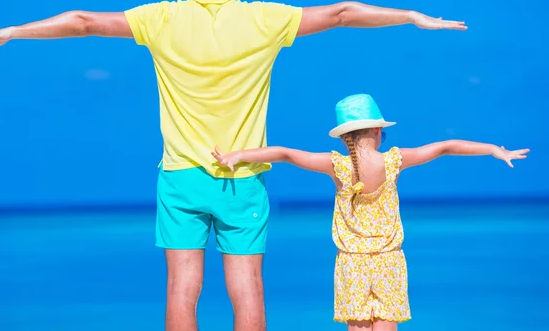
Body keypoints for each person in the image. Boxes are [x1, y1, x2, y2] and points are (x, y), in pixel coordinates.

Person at [0, 0, 468, 330]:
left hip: (179, 177)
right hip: (242, 177)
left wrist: (8, 33)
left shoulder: (159, 19)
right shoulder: (266, 19)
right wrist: (412, 16)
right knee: (247, 288)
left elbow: (84, 20)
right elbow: (341, 12)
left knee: (182, 287)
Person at [211, 93, 529, 331]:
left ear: (345, 136)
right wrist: (494, 150)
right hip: (389, 260)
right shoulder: (393, 160)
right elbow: (445, 146)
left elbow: (285, 154)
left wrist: (238, 155)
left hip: (351, 263)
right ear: (377, 131)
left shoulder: (336, 165)